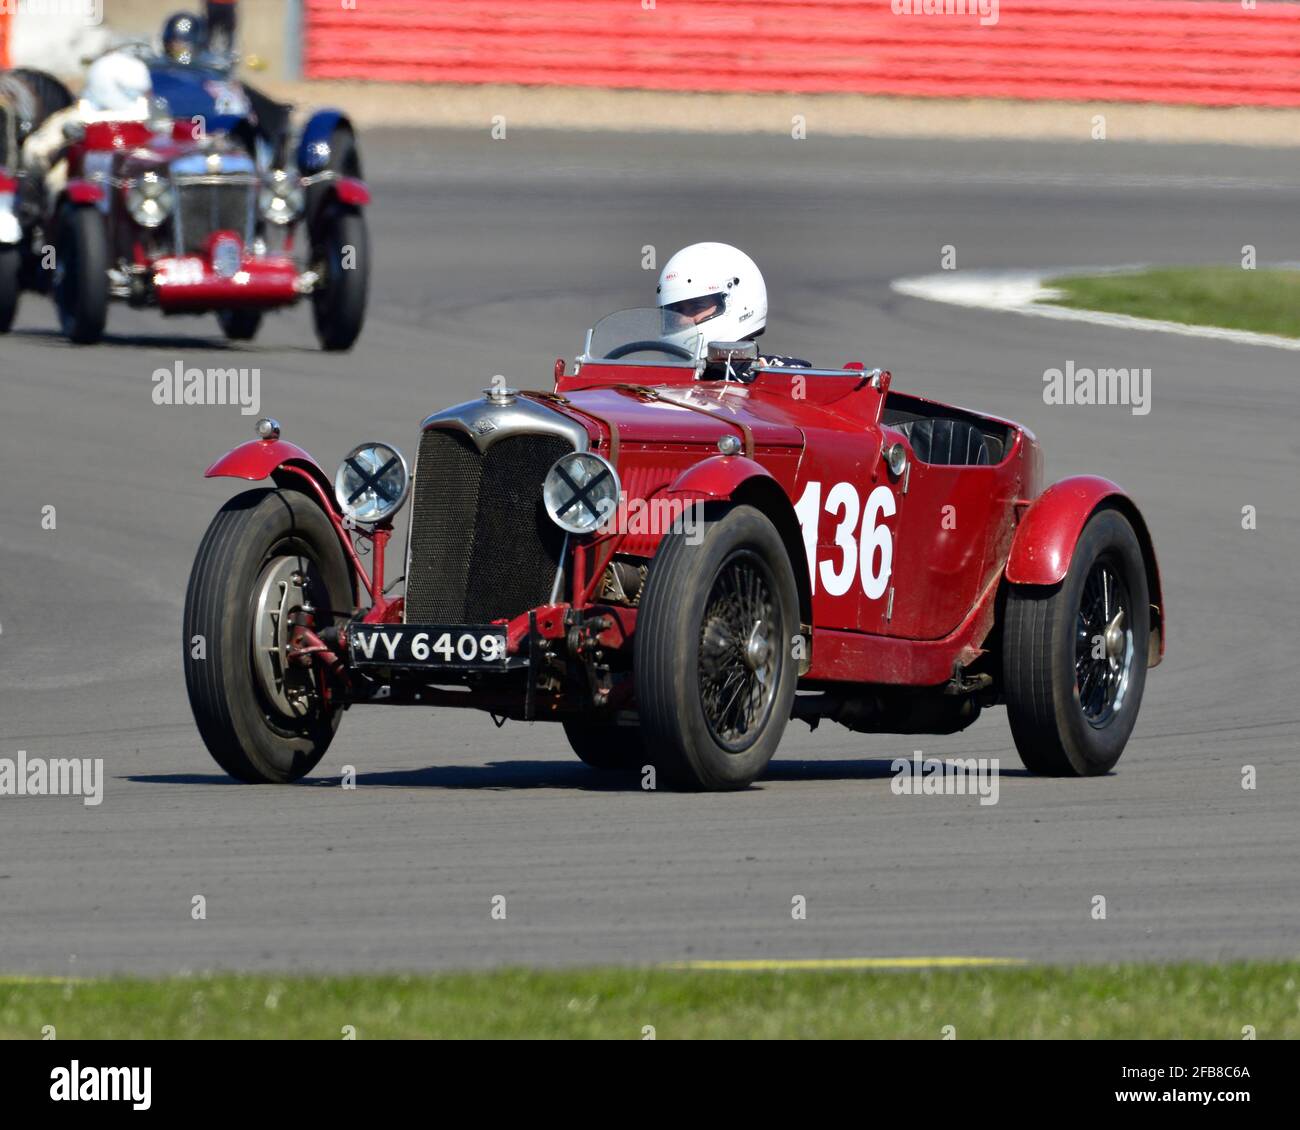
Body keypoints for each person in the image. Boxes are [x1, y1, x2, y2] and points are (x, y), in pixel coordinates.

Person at [655, 242, 809, 375]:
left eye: (696, 307)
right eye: (675, 310)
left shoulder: (779, 375)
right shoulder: (661, 383)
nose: (682, 319)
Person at [21, 52, 153, 202]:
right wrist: (64, 144)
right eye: (132, 91)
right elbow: (35, 151)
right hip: (82, 203)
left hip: (142, 198)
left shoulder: (150, 118)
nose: (139, 96)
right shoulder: (76, 118)